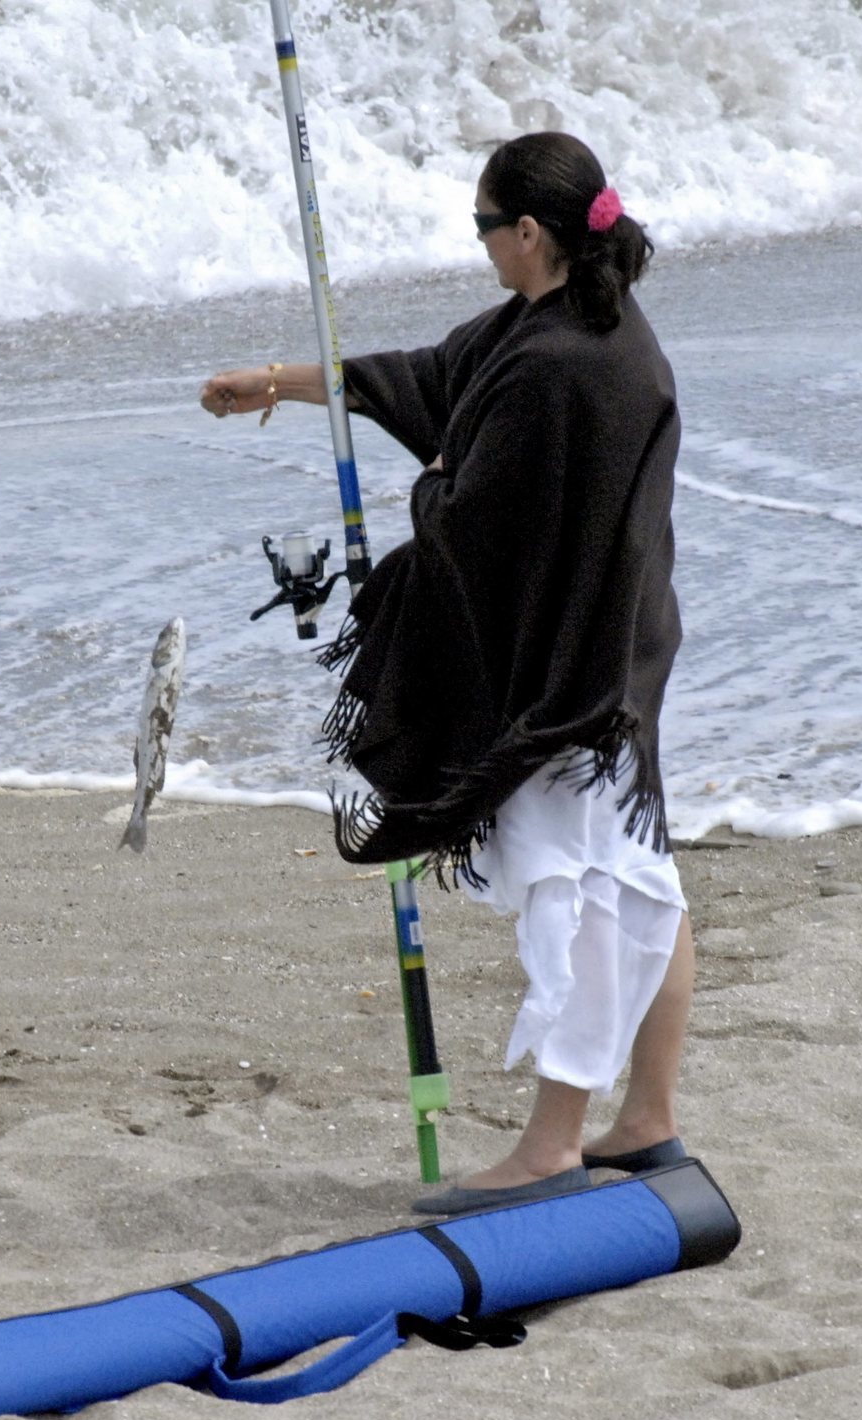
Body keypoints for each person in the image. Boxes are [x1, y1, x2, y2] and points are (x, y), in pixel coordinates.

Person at [201, 131, 694, 1215]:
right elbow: (430, 378)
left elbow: (479, 523)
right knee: (637, 868)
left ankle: (551, 1147)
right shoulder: (557, 324)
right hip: (615, 645)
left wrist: (429, 491)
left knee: (587, 884)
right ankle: (647, 1118)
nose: (476, 245)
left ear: (530, 232)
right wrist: (278, 383)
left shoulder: (570, 366)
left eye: (483, 226)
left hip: (568, 671)